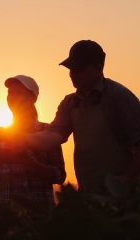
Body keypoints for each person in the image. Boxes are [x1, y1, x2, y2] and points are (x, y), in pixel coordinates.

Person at [20, 40, 140, 195]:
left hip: (126, 197)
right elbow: (52, 136)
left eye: (79, 68)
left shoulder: (119, 97)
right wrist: (20, 139)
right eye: (71, 68)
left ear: (99, 68)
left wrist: (124, 181)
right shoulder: (70, 103)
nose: (72, 74)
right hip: (89, 194)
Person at [0, 75, 66, 213]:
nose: (12, 97)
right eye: (10, 93)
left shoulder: (48, 132)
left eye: (19, 93)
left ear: (32, 98)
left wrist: (32, 164)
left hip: (39, 214)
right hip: (6, 216)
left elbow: (59, 176)